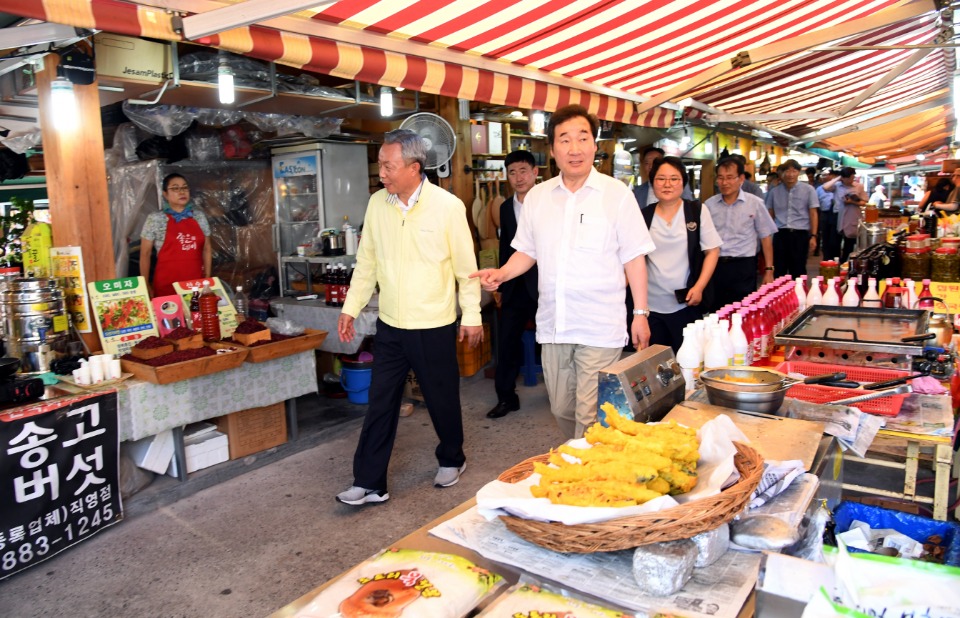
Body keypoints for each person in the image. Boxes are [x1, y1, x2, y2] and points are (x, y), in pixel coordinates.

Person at [472, 104, 655, 440]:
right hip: (555, 324)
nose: (575, 148)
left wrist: (640, 313)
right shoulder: (538, 198)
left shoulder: (617, 195)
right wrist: (502, 274)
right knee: (561, 409)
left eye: (582, 138)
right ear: (552, 149)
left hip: (600, 325)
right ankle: (584, 460)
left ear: (595, 145)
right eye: (565, 140)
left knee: (588, 415)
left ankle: (584, 481)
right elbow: (526, 251)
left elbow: (634, 257)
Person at [335, 129, 483, 506]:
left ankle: (452, 458)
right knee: (380, 401)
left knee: (440, 397)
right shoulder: (376, 205)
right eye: (380, 164)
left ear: (414, 168)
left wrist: (472, 316)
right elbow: (366, 263)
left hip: (433, 323)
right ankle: (369, 482)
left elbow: (466, 269)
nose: (381, 172)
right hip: (390, 324)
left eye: (388, 165)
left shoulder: (447, 206)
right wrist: (351, 307)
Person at [642, 156, 721, 352]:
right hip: (651, 307)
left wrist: (699, 287)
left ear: (683, 182)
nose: (667, 184)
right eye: (661, 179)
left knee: (688, 362)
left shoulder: (696, 211)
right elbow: (634, 260)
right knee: (657, 365)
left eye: (674, 179)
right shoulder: (644, 215)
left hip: (686, 303)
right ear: (652, 182)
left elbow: (712, 251)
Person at [487, 150, 539, 419]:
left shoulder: (548, 203)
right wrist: (501, 285)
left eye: (523, 171)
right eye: (512, 172)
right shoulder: (506, 207)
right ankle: (506, 398)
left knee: (555, 343)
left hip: (545, 286)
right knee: (506, 341)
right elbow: (505, 249)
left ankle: (566, 395)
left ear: (535, 173)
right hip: (515, 286)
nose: (518, 177)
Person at [705, 156, 777, 311]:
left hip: (743, 266)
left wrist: (769, 270)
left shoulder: (755, 203)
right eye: (721, 178)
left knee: (742, 311)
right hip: (715, 266)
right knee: (715, 311)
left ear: (741, 179)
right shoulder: (709, 205)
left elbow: (765, 237)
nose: (724, 183)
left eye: (730, 177)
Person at [140, 173, 212, 298]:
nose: (181, 192)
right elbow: (145, 254)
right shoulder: (155, 219)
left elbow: (207, 249)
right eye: (175, 188)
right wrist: (145, 284)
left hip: (195, 283)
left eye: (184, 188)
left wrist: (207, 278)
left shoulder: (199, 216)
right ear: (165, 194)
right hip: (166, 285)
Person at [765, 159, 818, 278]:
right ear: (782, 173)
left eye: (794, 171)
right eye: (787, 171)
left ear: (798, 173)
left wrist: (813, 236)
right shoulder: (774, 192)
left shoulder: (808, 190)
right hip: (780, 234)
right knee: (779, 269)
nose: (790, 174)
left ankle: (799, 296)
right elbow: (770, 214)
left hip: (800, 235)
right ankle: (781, 295)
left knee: (798, 269)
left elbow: (813, 213)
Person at [821, 167, 867, 263]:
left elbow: (864, 202)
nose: (851, 180)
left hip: (851, 216)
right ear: (843, 178)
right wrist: (838, 178)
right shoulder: (837, 186)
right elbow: (825, 187)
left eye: (853, 177)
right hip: (837, 216)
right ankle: (835, 261)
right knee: (834, 242)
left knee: (849, 241)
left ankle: (845, 262)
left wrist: (852, 202)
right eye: (849, 178)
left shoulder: (858, 186)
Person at [817, 169, 839, 259]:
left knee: (835, 239)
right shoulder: (820, 189)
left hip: (836, 215)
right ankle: (826, 258)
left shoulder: (839, 187)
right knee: (825, 237)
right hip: (824, 214)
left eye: (829, 175)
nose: (828, 177)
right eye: (826, 175)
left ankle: (835, 259)